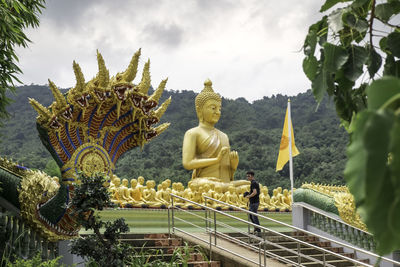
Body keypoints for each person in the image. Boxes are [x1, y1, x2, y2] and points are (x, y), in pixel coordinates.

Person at [182, 79, 248, 191]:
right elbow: (188, 163)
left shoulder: (224, 136)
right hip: (205, 182)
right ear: (199, 110)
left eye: (219, 109)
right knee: (209, 186)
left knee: (250, 185)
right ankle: (228, 190)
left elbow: (228, 171)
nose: (217, 112)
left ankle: (228, 189)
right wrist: (216, 160)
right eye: (213, 108)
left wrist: (233, 165)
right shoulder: (193, 133)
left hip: (225, 183)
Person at [245, 171, 261, 235]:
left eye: (248, 176)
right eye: (247, 176)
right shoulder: (253, 183)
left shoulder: (253, 183)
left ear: (252, 176)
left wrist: (249, 196)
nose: (247, 177)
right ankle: (256, 228)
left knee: (254, 216)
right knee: (250, 215)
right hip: (253, 202)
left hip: (254, 202)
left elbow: (255, 192)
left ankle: (258, 230)